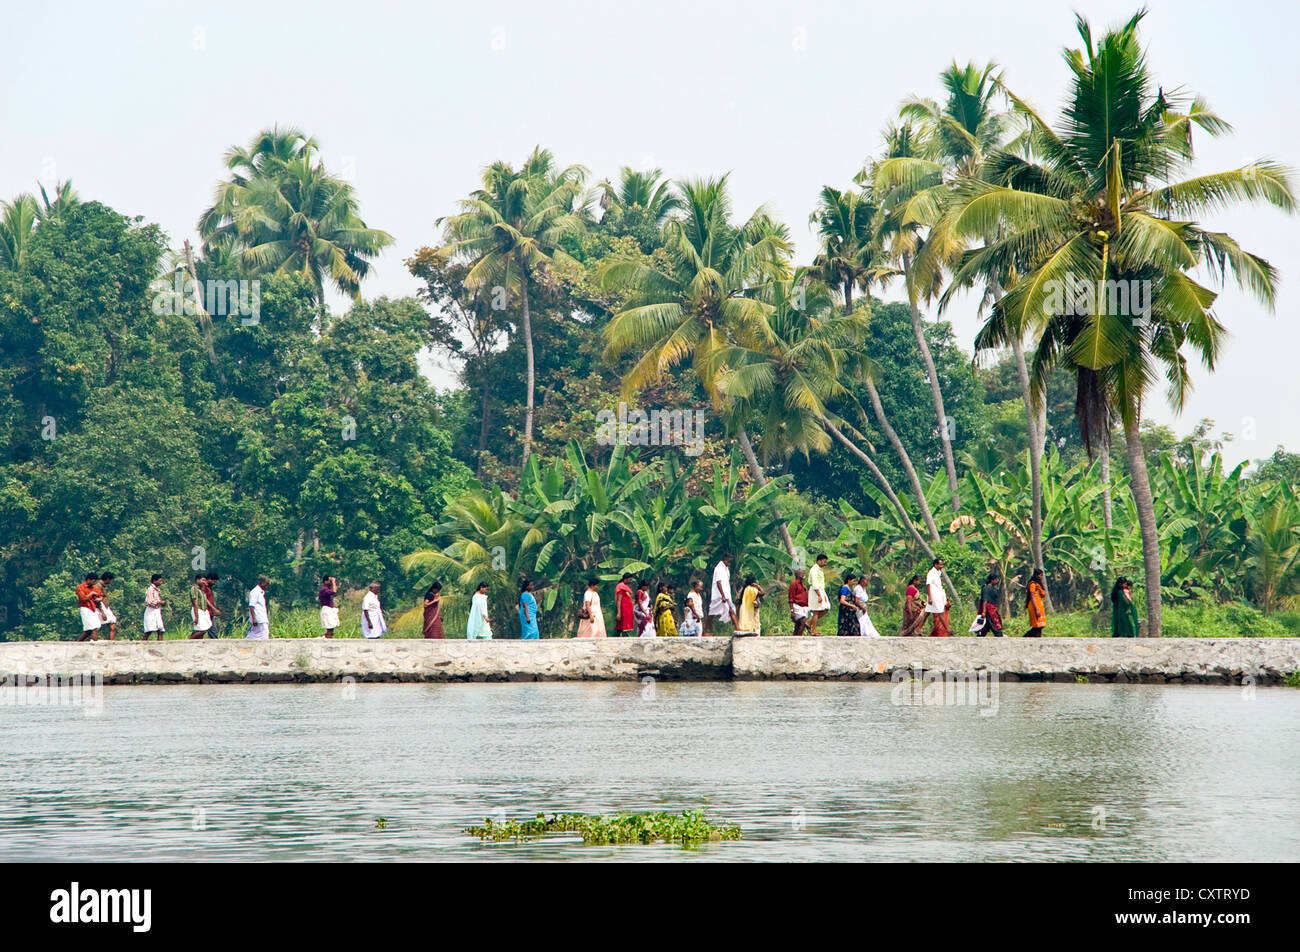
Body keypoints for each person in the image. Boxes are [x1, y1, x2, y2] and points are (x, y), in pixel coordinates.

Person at [705, 555, 737, 635]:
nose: (729, 564)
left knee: (731, 610)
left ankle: (738, 627)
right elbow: (718, 582)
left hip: (725, 594)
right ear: (724, 560)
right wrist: (722, 595)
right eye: (728, 561)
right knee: (712, 613)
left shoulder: (725, 568)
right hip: (719, 595)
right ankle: (705, 630)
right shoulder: (719, 568)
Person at [925, 558, 950, 637]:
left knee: (927, 613)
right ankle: (948, 630)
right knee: (940, 613)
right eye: (940, 564)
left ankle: (918, 628)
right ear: (935, 565)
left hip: (937, 596)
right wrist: (930, 597)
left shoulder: (938, 573)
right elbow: (928, 585)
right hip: (933, 596)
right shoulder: (931, 573)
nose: (941, 566)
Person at [807, 554, 830, 635]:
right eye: (824, 561)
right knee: (816, 610)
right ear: (819, 561)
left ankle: (809, 623)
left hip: (821, 590)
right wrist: (819, 595)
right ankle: (814, 630)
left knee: (826, 608)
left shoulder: (820, 569)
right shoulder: (814, 570)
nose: (825, 563)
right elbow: (815, 583)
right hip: (815, 591)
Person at [76, 573, 102, 642]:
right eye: (93, 581)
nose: (94, 583)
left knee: (88, 631)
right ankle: (94, 644)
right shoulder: (80, 587)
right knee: (94, 628)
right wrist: (91, 594)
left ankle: (77, 643)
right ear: (88, 580)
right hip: (86, 608)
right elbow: (83, 598)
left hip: (93, 608)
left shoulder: (94, 588)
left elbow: (100, 596)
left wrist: (99, 599)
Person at [854, 573, 881, 638]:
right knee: (862, 622)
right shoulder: (858, 588)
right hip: (860, 608)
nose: (868, 582)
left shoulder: (863, 589)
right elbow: (857, 601)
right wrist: (862, 608)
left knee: (866, 623)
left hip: (863, 608)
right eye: (867, 580)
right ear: (862, 580)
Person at [95, 572, 119, 640]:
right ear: (107, 579)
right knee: (95, 628)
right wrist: (102, 612)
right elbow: (97, 600)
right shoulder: (98, 586)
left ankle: (111, 642)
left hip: (105, 608)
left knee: (113, 626)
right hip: (100, 608)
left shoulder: (103, 586)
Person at [189, 573, 213, 639]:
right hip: (198, 610)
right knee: (202, 630)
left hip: (203, 610)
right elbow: (195, 603)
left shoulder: (201, 590)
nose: (204, 582)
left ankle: (198, 643)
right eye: (203, 580)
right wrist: (196, 616)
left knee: (206, 628)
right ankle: (189, 641)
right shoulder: (194, 589)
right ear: (197, 580)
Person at [837, 571, 860, 637]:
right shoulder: (845, 589)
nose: (854, 582)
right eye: (853, 581)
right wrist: (851, 605)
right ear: (849, 580)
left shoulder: (849, 588)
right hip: (846, 611)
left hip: (850, 611)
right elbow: (842, 600)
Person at [788, 567, 810, 636]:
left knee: (798, 625)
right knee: (803, 622)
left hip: (804, 607)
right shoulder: (794, 584)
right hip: (797, 606)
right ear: (797, 574)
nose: (803, 574)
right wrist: (792, 610)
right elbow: (791, 597)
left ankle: (794, 639)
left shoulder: (802, 584)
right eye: (802, 573)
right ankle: (799, 638)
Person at [1025, 569, 1047, 638]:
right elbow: (1032, 596)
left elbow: (1043, 594)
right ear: (1037, 575)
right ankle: (1026, 636)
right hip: (1034, 605)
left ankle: (1036, 638)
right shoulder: (1032, 584)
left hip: (1039, 604)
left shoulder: (1038, 584)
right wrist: (1037, 609)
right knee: (1038, 625)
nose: (1041, 577)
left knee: (1041, 625)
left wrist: (1040, 589)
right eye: (1040, 575)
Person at [202, 573, 222, 638]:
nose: (214, 583)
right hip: (206, 612)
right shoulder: (204, 587)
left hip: (210, 612)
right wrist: (214, 609)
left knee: (212, 630)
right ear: (210, 579)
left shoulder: (209, 588)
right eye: (214, 581)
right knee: (202, 630)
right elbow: (205, 599)